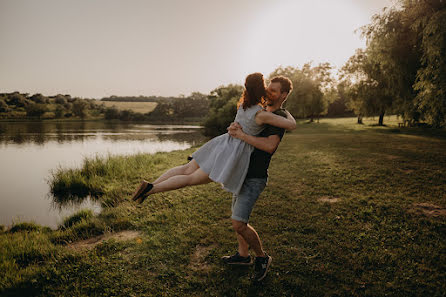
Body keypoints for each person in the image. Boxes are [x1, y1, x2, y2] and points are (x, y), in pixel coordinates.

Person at [131, 72, 296, 204]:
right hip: (232, 150)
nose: (267, 89)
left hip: (222, 143)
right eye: (265, 86)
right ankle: (150, 190)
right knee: (191, 178)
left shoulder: (243, 105)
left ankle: (150, 185)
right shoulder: (261, 114)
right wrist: (287, 113)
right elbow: (291, 125)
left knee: (185, 169)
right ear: (260, 89)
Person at [222, 75, 293, 282]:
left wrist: (243, 136)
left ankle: (262, 257)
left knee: (238, 223)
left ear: (284, 95)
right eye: (268, 88)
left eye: (274, 91)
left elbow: (270, 146)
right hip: (242, 171)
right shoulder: (262, 111)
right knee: (237, 216)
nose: (268, 93)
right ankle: (243, 256)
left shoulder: (277, 116)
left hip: (254, 177)